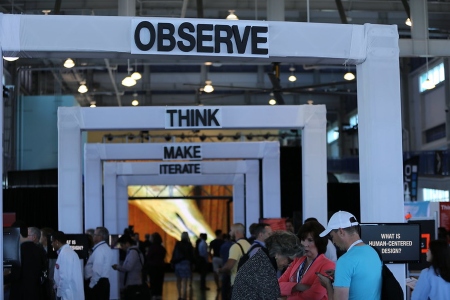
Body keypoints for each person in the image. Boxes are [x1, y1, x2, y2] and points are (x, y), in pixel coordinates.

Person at [317, 211, 382, 300]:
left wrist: (327, 284)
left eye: (332, 236)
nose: (333, 242)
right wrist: (340, 275)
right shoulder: (373, 252)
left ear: (341, 232)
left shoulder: (345, 261)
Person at [277, 221, 335, 299]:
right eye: (303, 240)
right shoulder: (297, 260)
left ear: (319, 242)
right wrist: (298, 286)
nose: (304, 244)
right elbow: (276, 286)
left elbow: (314, 295)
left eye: (310, 240)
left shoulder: (327, 264)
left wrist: (288, 295)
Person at [7, 221, 44, 300]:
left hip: (20, 294)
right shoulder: (40, 250)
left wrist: (3, 278)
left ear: (16, 232)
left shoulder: (18, 251)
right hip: (36, 293)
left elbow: (16, 275)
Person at [52, 231, 85, 300]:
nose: (52, 244)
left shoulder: (66, 254)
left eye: (52, 242)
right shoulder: (66, 253)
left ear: (57, 242)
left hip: (68, 294)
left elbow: (65, 278)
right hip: (68, 293)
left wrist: (59, 294)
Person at [112, 234, 145, 299]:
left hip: (133, 283)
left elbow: (128, 267)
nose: (121, 247)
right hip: (135, 281)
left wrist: (117, 267)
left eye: (122, 245)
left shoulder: (133, 252)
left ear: (127, 243)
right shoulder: (134, 251)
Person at [218, 223, 251, 290]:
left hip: (237, 283)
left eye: (231, 231)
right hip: (248, 283)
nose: (229, 233)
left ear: (236, 232)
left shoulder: (236, 247)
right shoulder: (249, 245)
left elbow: (228, 266)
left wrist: (220, 270)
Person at [84, 226, 113, 300]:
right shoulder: (106, 248)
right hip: (102, 282)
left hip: (97, 283)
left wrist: (91, 285)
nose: (93, 236)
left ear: (100, 237)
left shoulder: (99, 250)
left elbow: (97, 271)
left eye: (95, 234)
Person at [171, 231, 195, 300]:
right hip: (186, 263)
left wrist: (172, 262)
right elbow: (191, 255)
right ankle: (184, 296)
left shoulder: (178, 244)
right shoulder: (189, 244)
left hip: (178, 263)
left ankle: (179, 295)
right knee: (185, 280)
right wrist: (193, 263)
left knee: (178, 280)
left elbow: (174, 253)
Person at [146, 232, 166, 300]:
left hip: (153, 267)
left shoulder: (151, 248)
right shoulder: (162, 248)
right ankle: (159, 295)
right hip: (161, 267)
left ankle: (154, 295)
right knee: (159, 282)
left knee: (153, 281)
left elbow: (149, 257)